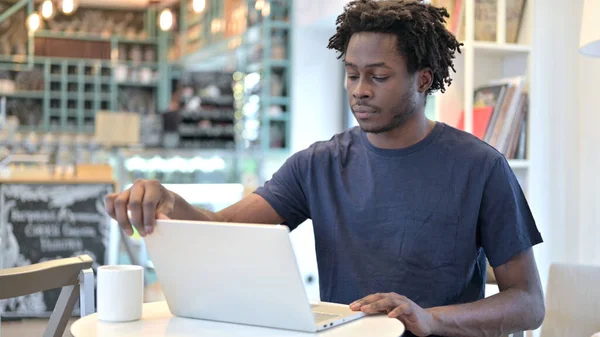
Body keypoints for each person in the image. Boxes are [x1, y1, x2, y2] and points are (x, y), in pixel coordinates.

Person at [106, 0, 545, 336]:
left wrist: (430, 320)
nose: (360, 91)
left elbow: (528, 302)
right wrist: (167, 199)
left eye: (378, 76)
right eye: (352, 74)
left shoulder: (481, 167)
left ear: (423, 80)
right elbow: (220, 229)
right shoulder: (319, 164)